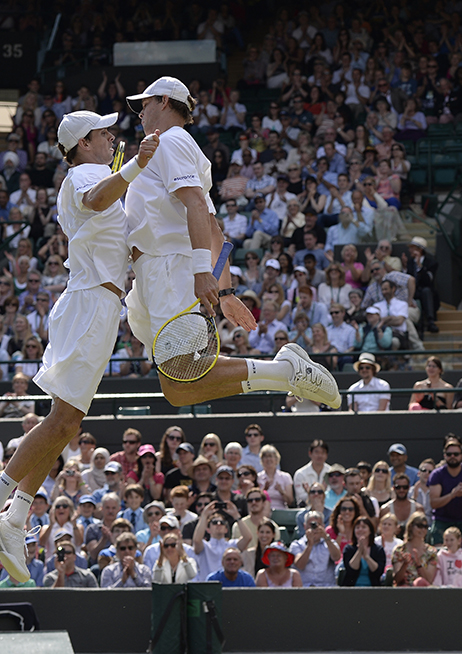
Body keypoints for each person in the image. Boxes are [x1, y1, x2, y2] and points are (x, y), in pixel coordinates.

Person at [0, 108, 166, 583]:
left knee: (66, 423)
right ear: (85, 141)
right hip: (90, 306)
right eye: (105, 132)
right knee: (63, 420)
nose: (113, 137)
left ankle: (14, 521)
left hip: (97, 307)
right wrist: (135, 164)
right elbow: (95, 199)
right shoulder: (85, 176)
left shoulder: (98, 172)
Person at [122, 77, 338, 411]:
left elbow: (197, 208)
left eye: (145, 103)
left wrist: (200, 272)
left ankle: (286, 370)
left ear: (164, 101)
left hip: (167, 266)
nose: (140, 111)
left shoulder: (170, 141)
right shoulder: (178, 146)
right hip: (157, 270)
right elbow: (213, 228)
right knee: (178, 390)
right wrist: (225, 293)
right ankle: (285, 373)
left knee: (179, 374)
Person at [427, 434, 462, 543]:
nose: (452, 456)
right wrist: (452, 495)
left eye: (456, 454)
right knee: (439, 553)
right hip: (442, 520)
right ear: (444, 456)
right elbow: (434, 503)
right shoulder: (437, 474)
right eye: (449, 454)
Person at [391, 511, 438, 586]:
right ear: (411, 526)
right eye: (419, 526)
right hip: (404, 591)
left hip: (423, 592)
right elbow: (397, 580)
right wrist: (405, 564)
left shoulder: (431, 552)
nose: (422, 529)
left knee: (420, 582)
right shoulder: (400, 550)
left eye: (425, 527)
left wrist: (419, 564)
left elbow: (429, 580)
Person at [339, 516, 386, 586]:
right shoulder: (349, 549)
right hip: (352, 590)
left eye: (364, 527)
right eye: (357, 527)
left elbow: (378, 571)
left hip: (373, 590)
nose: (360, 530)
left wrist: (366, 557)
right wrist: (359, 551)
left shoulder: (378, 550)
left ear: (370, 531)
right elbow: (351, 570)